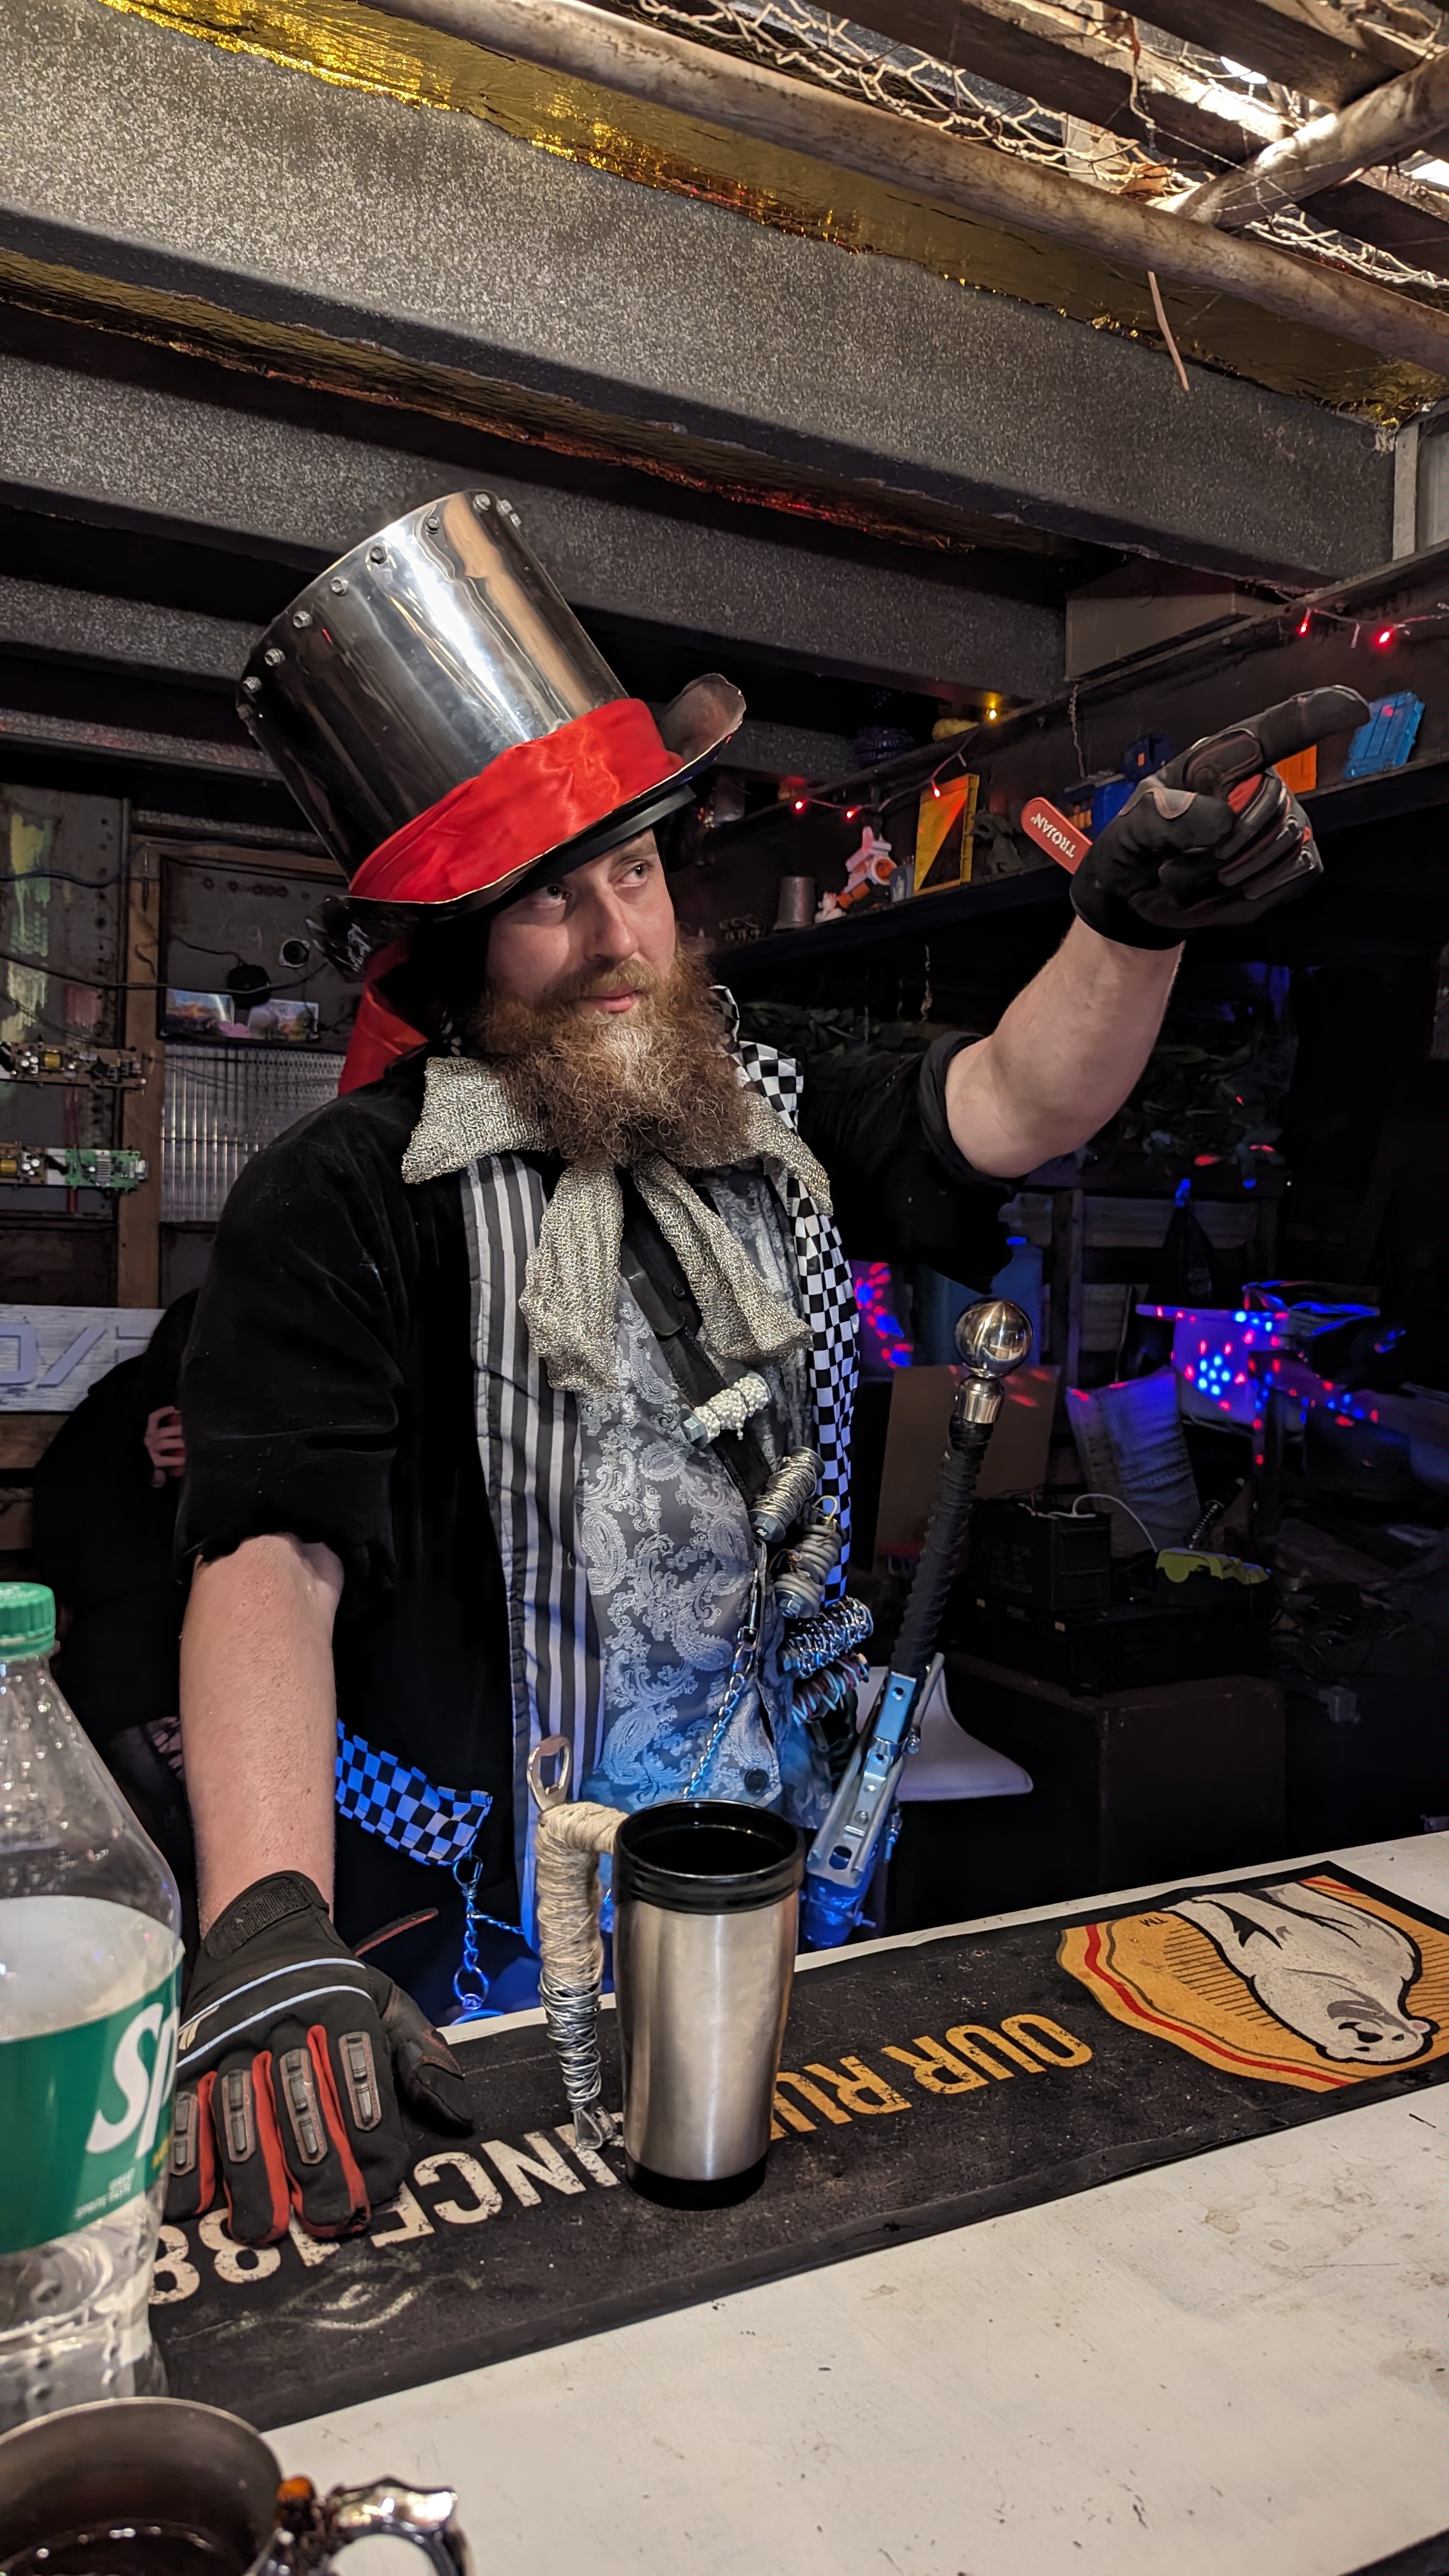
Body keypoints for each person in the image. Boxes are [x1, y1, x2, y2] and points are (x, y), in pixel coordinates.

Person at [166, 486, 1361, 2246]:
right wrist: (265, 1917)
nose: (617, 940)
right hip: (474, 1935)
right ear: (455, 949)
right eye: (548, 901)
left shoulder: (768, 1112)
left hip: (780, 1895)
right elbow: (267, 1555)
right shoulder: (343, 1190)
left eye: (634, 871)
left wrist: (1131, 926)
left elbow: (1011, 1101)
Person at [32, 1292, 199, 1934]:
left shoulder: (279, 1417)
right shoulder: (127, 1406)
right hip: (136, 1670)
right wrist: (144, 1473)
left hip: (238, 1664)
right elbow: (71, 1557)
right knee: (194, 1808)